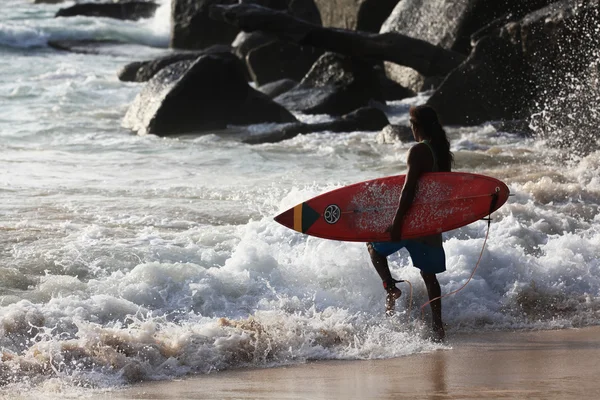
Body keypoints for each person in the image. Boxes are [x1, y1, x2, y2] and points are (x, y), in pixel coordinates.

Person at [367, 105, 453, 342]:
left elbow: (408, 190)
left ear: (417, 126)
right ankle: (438, 327)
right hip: (430, 225)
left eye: (411, 123)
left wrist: (396, 223)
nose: (410, 128)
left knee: (373, 246)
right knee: (430, 277)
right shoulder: (441, 153)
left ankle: (390, 287)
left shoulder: (418, 151)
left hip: (411, 223)